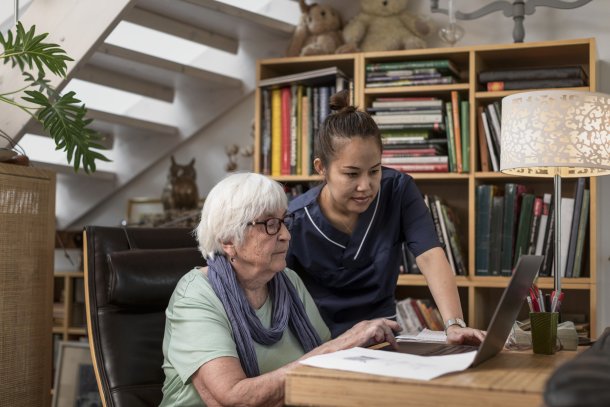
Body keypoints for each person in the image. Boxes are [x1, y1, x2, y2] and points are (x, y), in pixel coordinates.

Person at [160, 172, 399, 407]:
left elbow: (325, 368)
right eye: (270, 224)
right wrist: (341, 344)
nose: (285, 235)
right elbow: (233, 398)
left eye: (284, 222)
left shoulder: (289, 281)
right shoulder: (196, 295)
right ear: (229, 240)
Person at [286, 90, 485, 344]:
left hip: (383, 340)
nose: (365, 186)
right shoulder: (294, 221)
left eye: (374, 171)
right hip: (321, 346)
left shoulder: (398, 190)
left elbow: (429, 255)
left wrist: (454, 324)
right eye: (351, 174)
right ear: (321, 168)